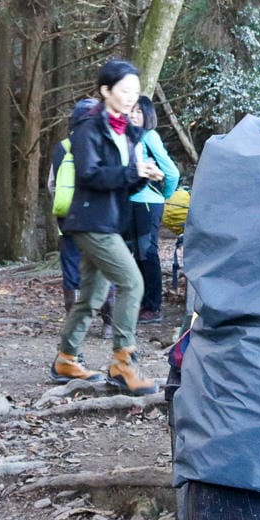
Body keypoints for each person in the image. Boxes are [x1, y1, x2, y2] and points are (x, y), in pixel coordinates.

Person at [50, 59, 165, 395]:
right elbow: (89, 175)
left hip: (109, 221)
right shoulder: (90, 129)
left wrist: (143, 173)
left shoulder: (126, 133)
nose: (131, 97)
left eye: (135, 91)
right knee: (132, 283)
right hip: (90, 222)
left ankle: (66, 359)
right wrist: (133, 173)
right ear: (105, 91)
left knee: (92, 297)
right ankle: (123, 364)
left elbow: (120, 184)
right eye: (124, 90)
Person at [127, 96, 180, 325]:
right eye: (130, 111)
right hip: (129, 202)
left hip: (148, 203)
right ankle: (141, 304)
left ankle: (153, 307)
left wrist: (163, 195)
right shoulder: (128, 138)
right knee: (135, 256)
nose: (133, 116)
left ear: (148, 114)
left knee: (147, 254)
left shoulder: (150, 136)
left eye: (138, 112)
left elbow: (172, 172)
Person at [47, 98, 100, 313]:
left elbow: (52, 184)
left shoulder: (62, 147)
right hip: (98, 216)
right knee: (102, 265)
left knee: (71, 265)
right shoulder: (103, 145)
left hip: (67, 215)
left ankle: (74, 317)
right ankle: (107, 321)